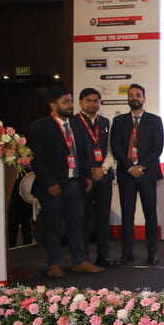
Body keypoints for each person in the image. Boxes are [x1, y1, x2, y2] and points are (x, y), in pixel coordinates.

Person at [28, 88, 103, 277]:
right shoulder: (40, 126)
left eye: (70, 101)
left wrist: (86, 176)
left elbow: (83, 152)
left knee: (77, 225)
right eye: (65, 102)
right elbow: (36, 158)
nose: (70, 105)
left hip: (76, 183)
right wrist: (49, 183)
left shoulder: (76, 124)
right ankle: (53, 264)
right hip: (53, 186)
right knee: (53, 226)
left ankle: (80, 261)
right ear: (53, 105)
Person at [110, 83, 164, 265]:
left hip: (147, 174)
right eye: (131, 95)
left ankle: (152, 254)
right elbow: (115, 147)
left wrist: (141, 166)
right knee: (127, 215)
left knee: (150, 214)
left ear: (144, 98)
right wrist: (129, 167)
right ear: (128, 99)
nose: (134, 98)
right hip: (126, 174)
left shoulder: (155, 120)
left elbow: (157, 147)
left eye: (138, 95)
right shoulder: (119, 121)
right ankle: (127, 254)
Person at [72, 87, 114, 267]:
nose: (92, 104)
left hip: (103, 177)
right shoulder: (72, 123)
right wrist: (88, 171)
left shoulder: (105, 122)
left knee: (103, 218)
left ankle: (103, 255)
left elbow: (111, 150)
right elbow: (72, 151)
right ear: (81, 102)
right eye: (88, 100)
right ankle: (83, 257)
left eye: (96, 100)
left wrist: (103, 169)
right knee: (82, 218)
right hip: (83, 179)